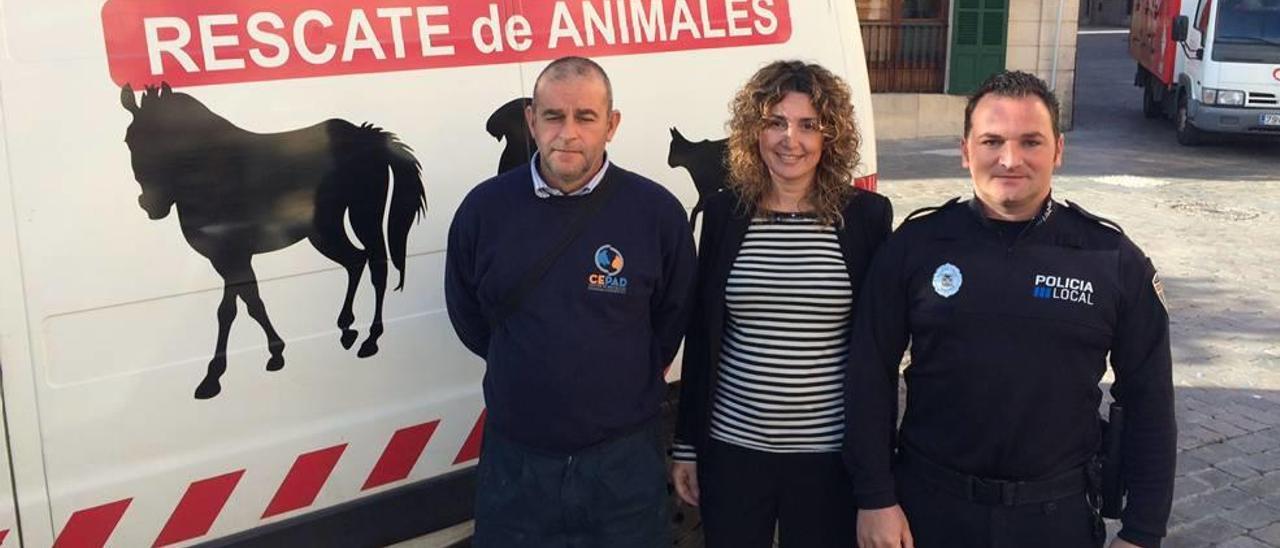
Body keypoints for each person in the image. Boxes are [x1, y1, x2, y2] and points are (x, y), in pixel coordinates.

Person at [845, 70, 1175, 548]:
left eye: (1031, 142)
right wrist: (874, 496)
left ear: (1058, 150)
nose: (1009, 159)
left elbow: (1149, 402)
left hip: (1054, 519)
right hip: (928, 513)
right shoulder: (914, 247)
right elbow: (868, 373)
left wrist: (1143, 532)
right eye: (992, 140)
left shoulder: (1112, 260)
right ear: (965, 150)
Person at [444, 56, 696, 548]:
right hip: (517, 464)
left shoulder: (656, 213)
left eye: (586, 117)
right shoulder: (484, 210)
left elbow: (672, 317)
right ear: (531, 121)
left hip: (622, 464)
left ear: (612, 124)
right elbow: (469, 316)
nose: (568, 133)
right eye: (553, 116)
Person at [670, 60, 893, 548]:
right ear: (755, 131)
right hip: (732, 450)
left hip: (828, 457)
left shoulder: (865, 218)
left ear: (829, 136)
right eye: (775, 122)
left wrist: (878, 469)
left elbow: (877, 351)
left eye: (808, 125)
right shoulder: (725, 213)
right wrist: (687, 444)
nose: (790, 138)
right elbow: (703, 335)